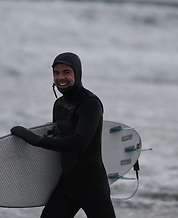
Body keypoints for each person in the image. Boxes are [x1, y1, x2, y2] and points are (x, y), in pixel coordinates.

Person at [11, 52, 116, 218]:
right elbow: (60, 141)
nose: (60, 77)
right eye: (56, 73)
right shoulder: (59, 104)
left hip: (92, 186)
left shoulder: (90, 103)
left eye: (66, 72)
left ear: (77, 73)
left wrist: (37, 140)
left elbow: (80, 142)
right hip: (68, 184)